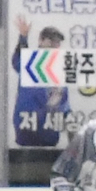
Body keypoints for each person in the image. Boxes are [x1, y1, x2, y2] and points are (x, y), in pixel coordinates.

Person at [10, 17, 68, 148]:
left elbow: (64, 103)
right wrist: (23, 38)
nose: (54, 45)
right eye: (51, 41)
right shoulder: (31, 61)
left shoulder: (60, 68)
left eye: (57, 42)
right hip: (26, 126)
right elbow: (17, 61)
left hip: (50, 130)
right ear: (41, 41)